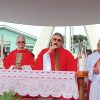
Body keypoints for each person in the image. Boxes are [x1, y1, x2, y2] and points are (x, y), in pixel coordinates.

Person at [35, 33, 77, 100]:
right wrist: (48, 52)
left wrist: (79, 59)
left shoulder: (67, 53)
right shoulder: (44, 51)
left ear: (61, 43)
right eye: (54, 39)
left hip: (62, 84)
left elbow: (73, 66)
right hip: (46, 84)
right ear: (51, 40)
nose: (56, 41)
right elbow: (37, 65)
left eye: (59, 40)